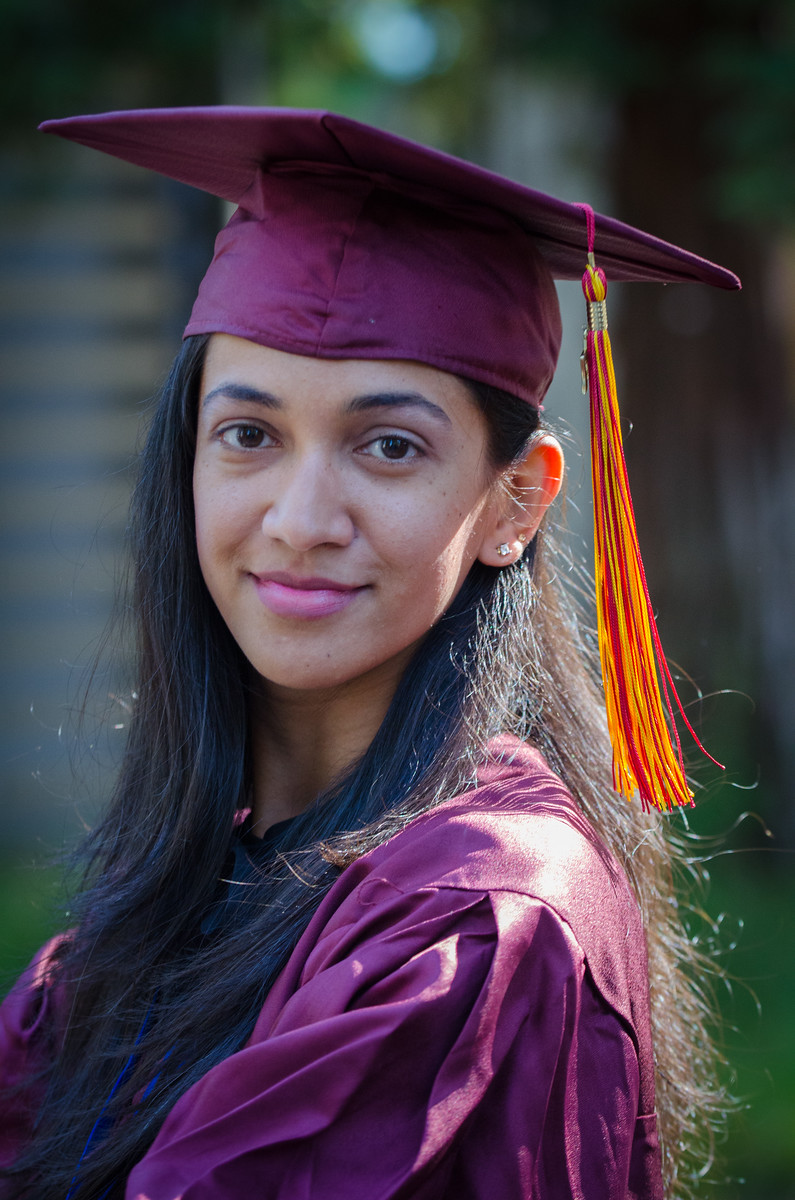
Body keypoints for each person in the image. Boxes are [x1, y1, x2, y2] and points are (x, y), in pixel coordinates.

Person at [0, 108, 739, 1200]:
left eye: (388, 447)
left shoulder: (483, 919)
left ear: (516, 502)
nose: (301, 519)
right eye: (249, 435)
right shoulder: (186, 893)